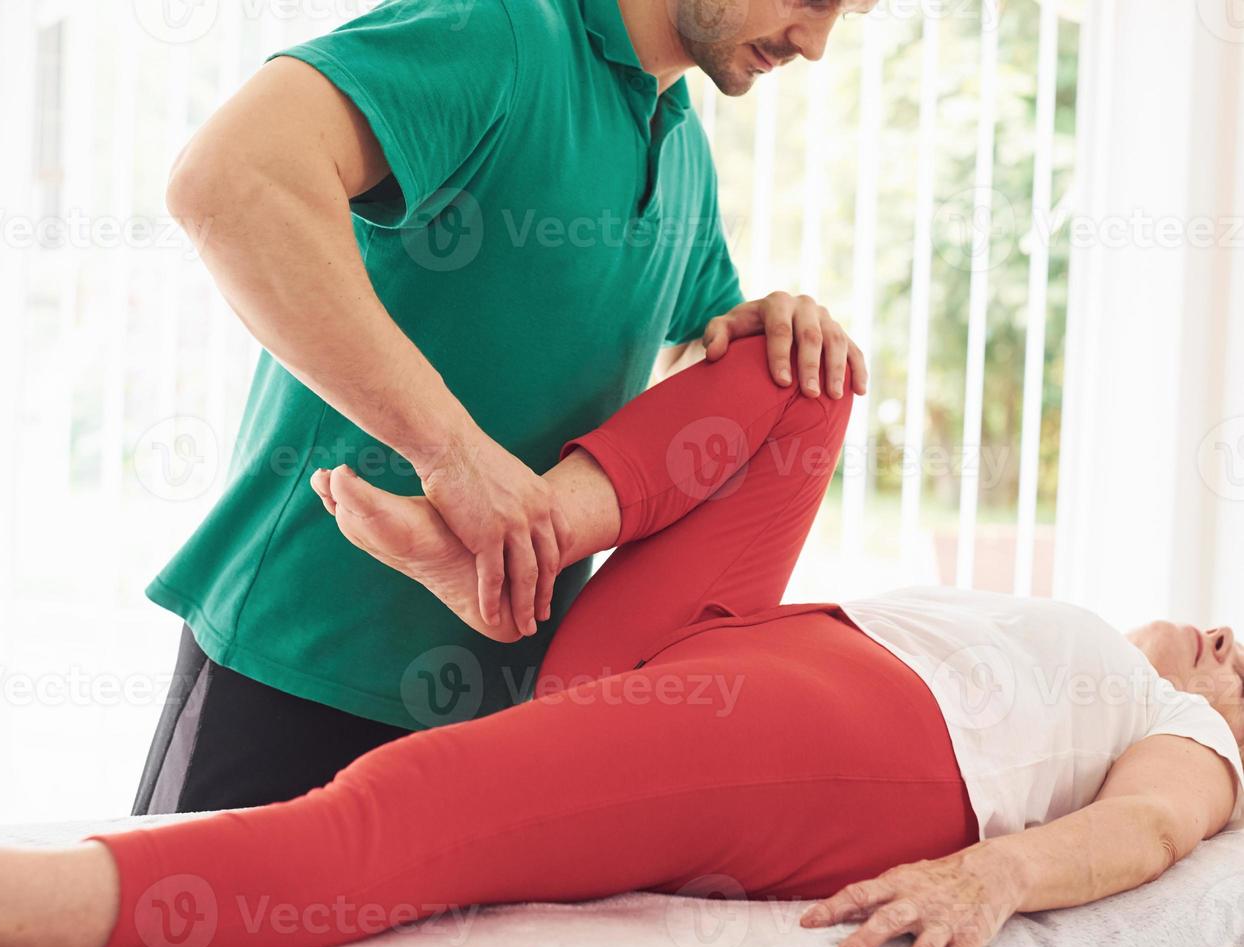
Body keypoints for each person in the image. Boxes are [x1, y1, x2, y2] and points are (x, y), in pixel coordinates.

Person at [0, 337, 1240, 947]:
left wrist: (996, 877)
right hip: (731, 662)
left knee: (403, 821)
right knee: (807, 374)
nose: (1234, 639)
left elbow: (1154, 824)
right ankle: (511, 539)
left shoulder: (1190, 732)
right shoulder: (1097, 651)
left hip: (843, 748)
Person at [131, 0, 873, 813]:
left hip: (494, 716)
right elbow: (230, 180)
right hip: (296, 667)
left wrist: (772, 336)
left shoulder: (679, 144)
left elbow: (694, 379)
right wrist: (452, 453)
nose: (817, 43)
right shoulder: (500, 30)